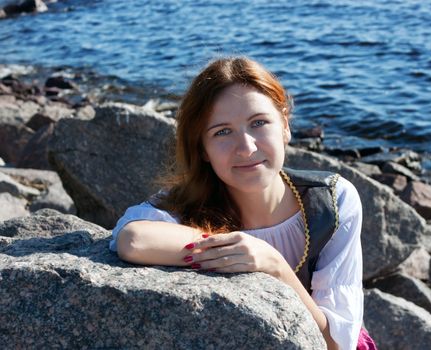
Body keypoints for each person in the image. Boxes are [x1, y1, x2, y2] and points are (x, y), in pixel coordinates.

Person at [109, 57, 376, 350]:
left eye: (258, 123)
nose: (247, 148)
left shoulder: (332, 201)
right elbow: (134, 240)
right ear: (203, 149)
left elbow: (338, 343)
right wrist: (236, 249)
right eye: (222, 132)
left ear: (285, 126)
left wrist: (273, 265)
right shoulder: (187, 204)